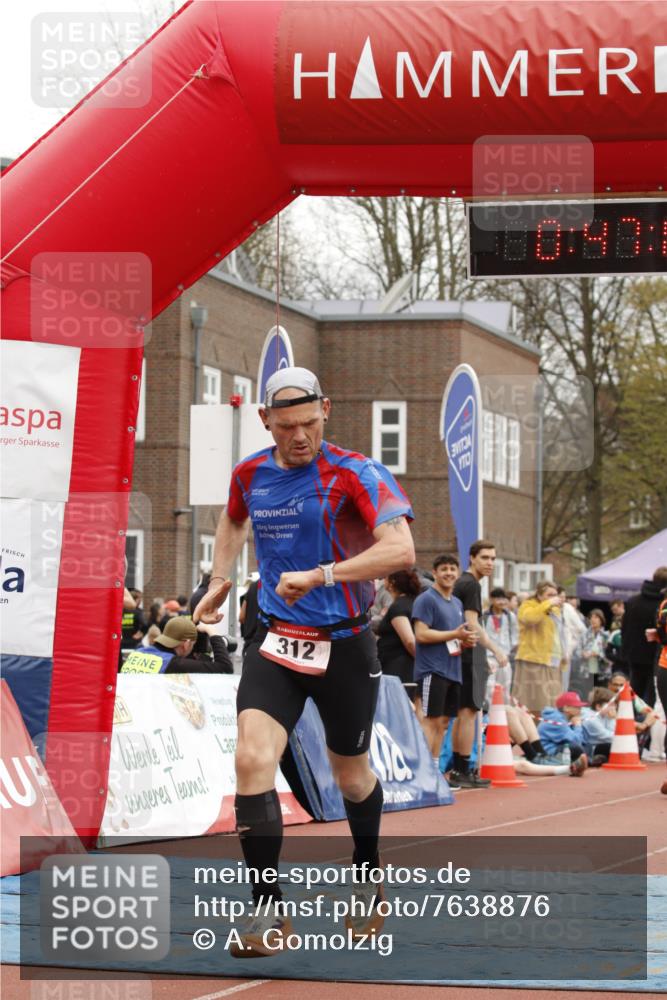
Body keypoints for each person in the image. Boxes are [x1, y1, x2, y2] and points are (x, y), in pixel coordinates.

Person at [193, 366, 415, 957]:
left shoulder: (356, 472)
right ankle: (268, 913)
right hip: (275, 637)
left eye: (309, 425)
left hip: (343, 643)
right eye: (286, 426)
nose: (299, 437)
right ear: (265, 421)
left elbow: (401, 548)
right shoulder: (251, 473)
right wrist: (220, 577)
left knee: (351, 774)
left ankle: (367, 872)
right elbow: (234, 516)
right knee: (250, 757)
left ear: (327, 412)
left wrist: (322, 574)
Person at [412, 554, 476, 787]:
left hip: (452, 670)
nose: (449, 573)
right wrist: (455, 635)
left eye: (452, 569)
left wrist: (465, 640)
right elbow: (421, 634)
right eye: (444, 569)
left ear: (458, 573)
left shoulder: (457, 603)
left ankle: (434, 770)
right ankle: (422, 773)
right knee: (430, 720)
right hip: (433, 670)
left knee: (443, 723)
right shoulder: (426, 600)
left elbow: (453, 635)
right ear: (436, 572)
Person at [450, 540, 508, 789]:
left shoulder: (463, 583)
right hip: (469, 656)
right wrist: (495, 650)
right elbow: (472, 623)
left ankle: (458, 769)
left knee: (463, 714)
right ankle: (462, 770)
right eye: (485, 558)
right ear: (472, 558)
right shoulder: (471, 584)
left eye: (493, 559)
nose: (490, 563)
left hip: (460, 654)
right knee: (468, 713)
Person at [514, 581, 565, 715]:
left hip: (553, 661)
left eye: (555, 594)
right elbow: (530, 619)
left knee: (552, 702)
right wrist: (547, 604)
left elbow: (560, 634)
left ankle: (546, 732)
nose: (553, 597)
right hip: (533, 660)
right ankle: (531, 733)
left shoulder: (555, 609)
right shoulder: (528, 605)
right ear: (540, 595)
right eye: (549, 595)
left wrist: (564, 655)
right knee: (535, 703)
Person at [121, 616, 233, 674]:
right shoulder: (172, 664)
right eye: (192, 644)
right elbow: (224, 667)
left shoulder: (137, 653)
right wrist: (212, 631)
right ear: (186, 644)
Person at [621, 567, 667, 707]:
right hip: (658, 657)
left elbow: (624, 629)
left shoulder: (632, 601)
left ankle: (633, 721)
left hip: (635, 656)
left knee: (636, 693)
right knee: (655, 698)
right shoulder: (663, 604)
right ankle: (648, 725)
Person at [376, 569, 421, 701]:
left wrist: (423, 662)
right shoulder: (413, 603)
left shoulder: (399, 607)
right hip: (404, 666)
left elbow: (409, 641)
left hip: (399, 668)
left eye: (385, 578)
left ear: (392, 582)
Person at [537, 691, 589, 776]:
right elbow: (576, 741)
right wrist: (578, 725)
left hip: (557, 749)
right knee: (575, 748)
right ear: (566, 708)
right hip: (547, 754)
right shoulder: (556, 719)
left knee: (586, 747)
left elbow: (584, 740)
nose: (580, 710)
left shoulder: (564, 718)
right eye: (577, 707)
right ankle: (576, 764)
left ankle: (585, 761)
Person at [481, 587, 518, 703]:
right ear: (491, 600)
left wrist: (511, 648)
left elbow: (515, 633)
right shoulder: (484, 616)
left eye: (504, 599)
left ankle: (504, 715)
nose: (501, 602)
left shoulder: (510, 616)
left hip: (505, 657)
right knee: (489, 688)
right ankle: (489, 715)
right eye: (498, 599)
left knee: (505, 688)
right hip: (489, 657)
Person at [580, 687, 616, 765]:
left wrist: (611, 718)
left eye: (614, 704)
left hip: (598, 745)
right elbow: (610, 737)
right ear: (598, 706)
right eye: (611, 705)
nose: (614, 708)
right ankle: (593, 760)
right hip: (589, 749)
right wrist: (612, 719)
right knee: (612, 746)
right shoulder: (591, 719)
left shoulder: (605, 715)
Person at [580, 608, 610, 687]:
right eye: (591, 617)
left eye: (596, 617)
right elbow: (577, 650)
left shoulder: (606, 635)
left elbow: (610, 655)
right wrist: (582, 653)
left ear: (601, 620)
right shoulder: (584, 634)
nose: (593, 620)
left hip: (602, 672)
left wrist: (597, 654)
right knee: (587, 696)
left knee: (600, 696)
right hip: (586, 671)